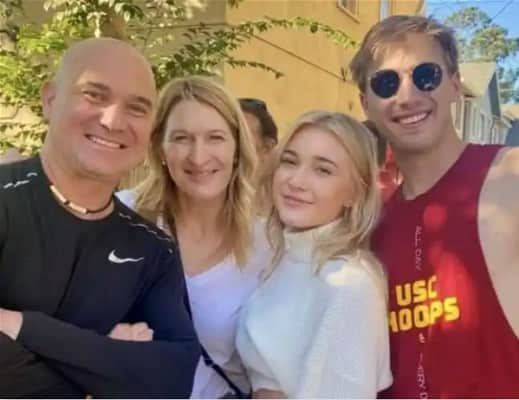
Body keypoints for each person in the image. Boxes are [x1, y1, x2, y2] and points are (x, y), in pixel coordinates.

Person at [0, 37, 200, 398]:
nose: (113, 121)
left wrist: (21, 326)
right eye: (94, 95)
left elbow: (172, 380)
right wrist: (105, 359)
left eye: (137, 108)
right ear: (50, 99)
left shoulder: (151, 250)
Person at [350, 15, 519, 397]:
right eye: (386, 83)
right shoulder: (368, 224)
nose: (407, 96)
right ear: (366, 103)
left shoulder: (509, 177)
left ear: (455, 84)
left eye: (426, 76)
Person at [117, 76, 268, 398]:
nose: (198, 157)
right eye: (182, 138)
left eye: (215, 138)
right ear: (159, 148)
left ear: (237, 148)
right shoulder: (120, 218)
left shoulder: (267, 244)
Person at [236, 111, 392, 398]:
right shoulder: (281, 254)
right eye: (290, 161)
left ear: (354, 193)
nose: (296, 181)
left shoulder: (348, 284)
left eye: (322, 170)